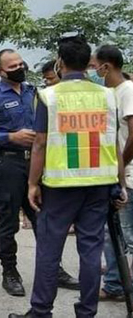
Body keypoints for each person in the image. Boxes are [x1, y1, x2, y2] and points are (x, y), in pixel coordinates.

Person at [9, 36, 127, 318]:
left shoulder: (49, 96)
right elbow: (114, 143)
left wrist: (32, 183)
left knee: (50, 249)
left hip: (61, 186)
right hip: (99, 185)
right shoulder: (107, 95)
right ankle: (86, 313)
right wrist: (120, 183)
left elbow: (39, 143)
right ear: (88, 64)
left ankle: (41, 311)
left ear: (60, 62)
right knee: (90, 250)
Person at [0, 49, 77, 297]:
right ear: (0, 71)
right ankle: (10, 273)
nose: (20, 68)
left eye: (21, 63)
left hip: (37, 164)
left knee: (45, 221)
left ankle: (54, 270)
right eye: (13, 66)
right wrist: (9, 136)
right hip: (8, 165)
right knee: (9, 222)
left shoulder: (33, 92)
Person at [89, 46, 133, 302]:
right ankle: (119, 278)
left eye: (95, 66)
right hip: (121, 172)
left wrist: (120, 167)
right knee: (118, 231)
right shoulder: (112, 93)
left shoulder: (127, 91)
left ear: (107, 67)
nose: (94, 71)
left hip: (127, 173)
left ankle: (115, 285)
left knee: (117, 232)